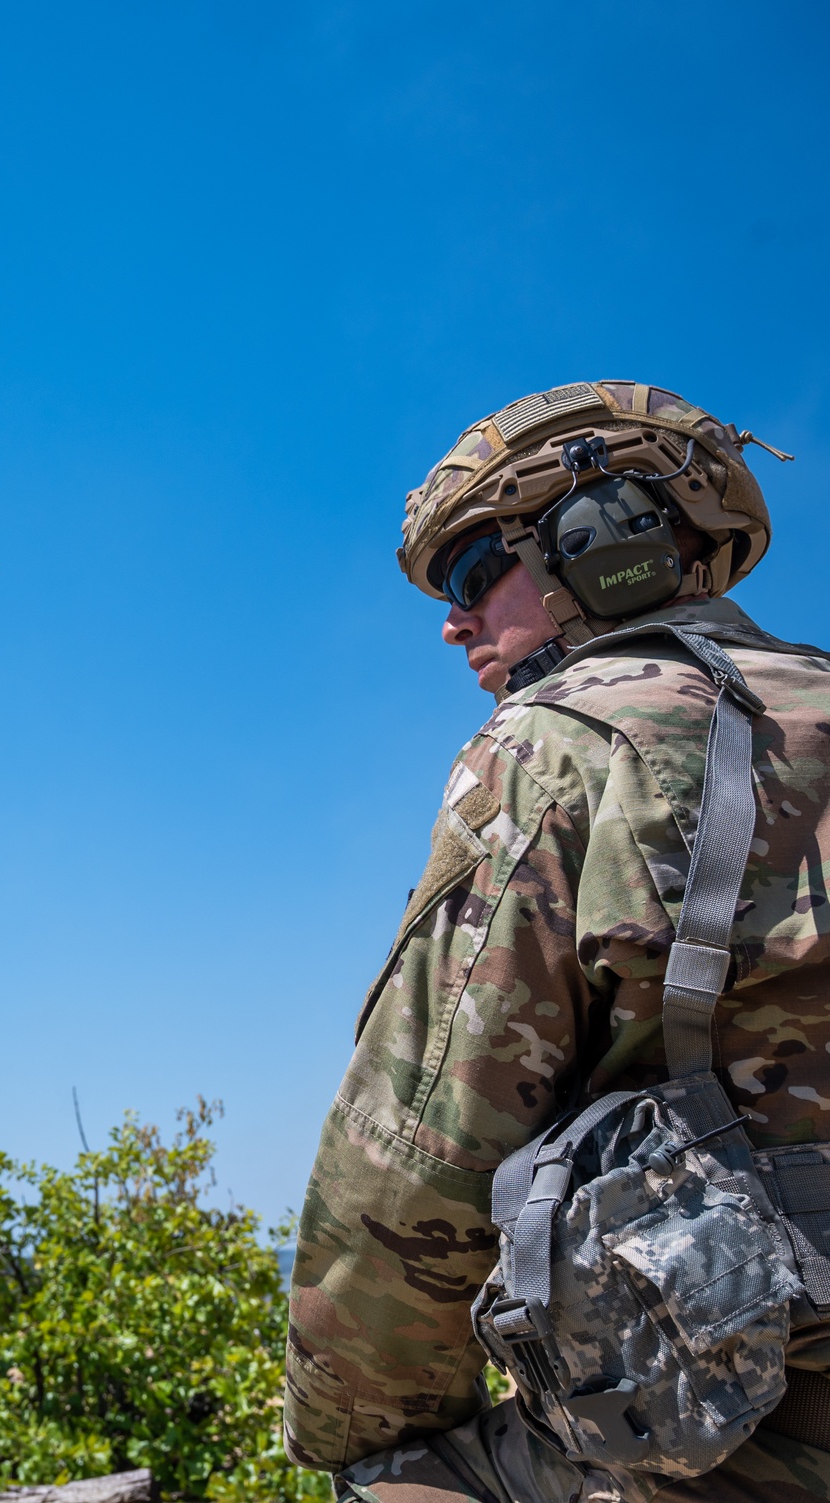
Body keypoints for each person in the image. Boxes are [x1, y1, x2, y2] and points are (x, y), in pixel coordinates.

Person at [283, 380, 830, 1503]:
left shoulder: (559, 744)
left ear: (603, 543)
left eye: (474, 574)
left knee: (391, 1482)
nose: (453, 621)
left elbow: (415, 1163)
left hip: (765, 1426)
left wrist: (356, 1440)